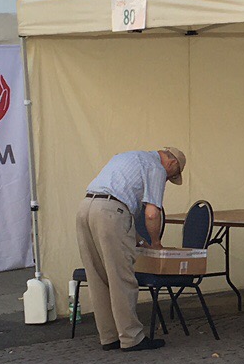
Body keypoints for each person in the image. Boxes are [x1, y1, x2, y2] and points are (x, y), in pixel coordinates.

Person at [76, 146, 185, 353]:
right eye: (172, 176)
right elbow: (151, 213)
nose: (167, 181)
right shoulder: (156, 168)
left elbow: (121, 214)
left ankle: (109, 337)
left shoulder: (130, 156)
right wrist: (155, 243)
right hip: (111, 212)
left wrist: (141, 242)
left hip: (86, 208)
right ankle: (131, 338)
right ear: (172, 164)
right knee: (121, 277)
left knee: (97, 276)